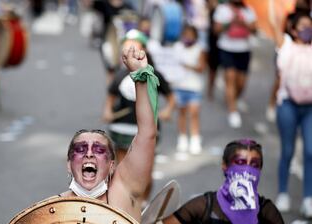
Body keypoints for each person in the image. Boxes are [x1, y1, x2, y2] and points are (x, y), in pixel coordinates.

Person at [146, 139, 301, 224]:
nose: (247, 170)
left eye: (254, 164)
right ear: (224, 166)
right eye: (240, 162)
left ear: (259, 170)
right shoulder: (205, 205)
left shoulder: (266, 211)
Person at [60, 44, 158, 222]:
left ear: (112, 165)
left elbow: (147, 133)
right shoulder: (53, 208)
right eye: (80, 150)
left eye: (98, 150)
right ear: (68, 164)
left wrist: (140, 78)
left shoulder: (125, 189)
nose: (89, 153)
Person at [101, 29, 174, 203]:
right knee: (120, 167)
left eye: (134, 44)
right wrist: (108, 110)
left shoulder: (154, 75)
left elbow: (171, 96)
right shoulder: (120, 74)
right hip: (121, 126)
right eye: (126, 45)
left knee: (145, 171)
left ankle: (142, 203)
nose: (129, 48)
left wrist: (168, 110)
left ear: (144, 49)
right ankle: (122, 202)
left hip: (146, 129)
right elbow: (111, 95)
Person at [270, 11, 312, 218]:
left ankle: (308, 198)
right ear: (293, 29)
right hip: (287, 105)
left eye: (309, 25)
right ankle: (283, 193)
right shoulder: (285, 45)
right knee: (288, 150)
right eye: (303, 26)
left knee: (310, 151)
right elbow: (275, 21)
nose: (307, 29)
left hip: (310, 108)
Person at [213, 0, 257, 128]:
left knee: (241, 83)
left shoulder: (248, 10)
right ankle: (233, 111)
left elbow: (254, 29)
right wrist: (230, 22)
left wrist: (243, 23)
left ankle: (233, 99)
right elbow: (216, 29)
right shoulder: (223, 9)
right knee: (230, 79)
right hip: (227, 49)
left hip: (244, 49)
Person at [172, 24, 206, 155]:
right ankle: (182, 138)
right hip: (179, 86)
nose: (188, 37)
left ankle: (195, 139)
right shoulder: (177, 47)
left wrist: (188, 66)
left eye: (190, 35)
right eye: (185, 34)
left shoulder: (199, 49)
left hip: (194, 87)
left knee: (194, 114)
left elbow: (202, 68)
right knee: (181, 113)